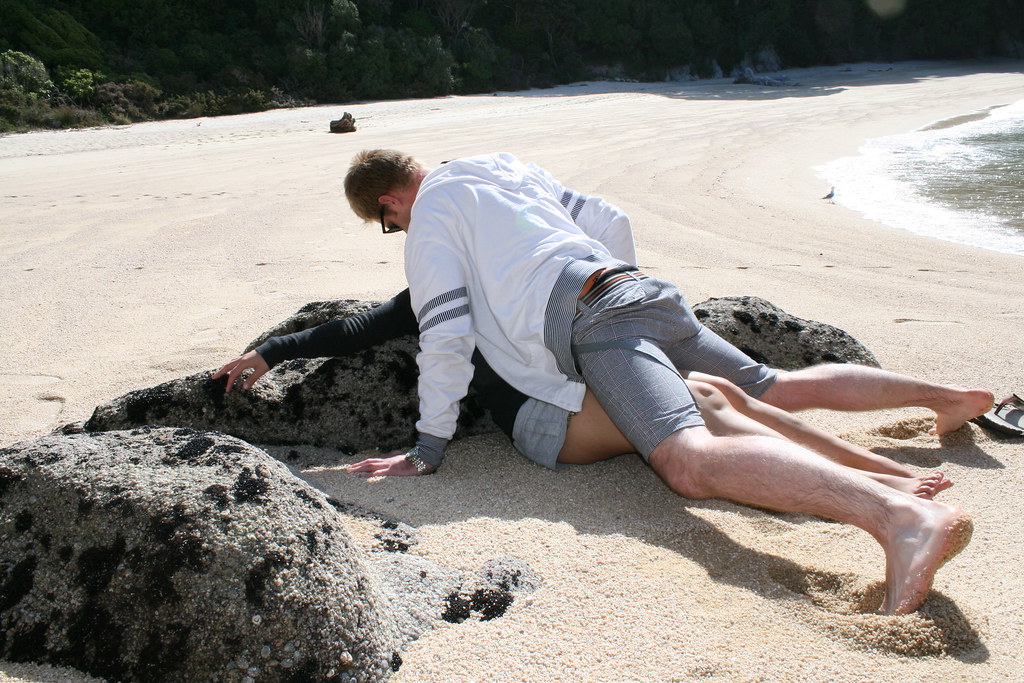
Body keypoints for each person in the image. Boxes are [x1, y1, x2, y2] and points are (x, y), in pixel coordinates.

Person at [340, 149, 981, 614]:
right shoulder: (501, 168)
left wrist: (428, 448)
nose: (397, 231)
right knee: (772, 384)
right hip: (634, 287)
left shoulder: (429, 219)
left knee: (686, 459)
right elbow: (607, 216)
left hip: (595, 315)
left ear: (390, 202)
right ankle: (947, 399)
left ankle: (898, 517)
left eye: (389, 224)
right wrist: (624, 288)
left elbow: (445, 333)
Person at [213, 291, 951, 499]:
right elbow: (358, 328)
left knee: (723, 392)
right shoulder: (451, 285)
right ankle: (880, 480)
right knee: (721, 400)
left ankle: (884, 474)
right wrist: (273, 350)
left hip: (577, 394)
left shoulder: (525, 274)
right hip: (544, 423)